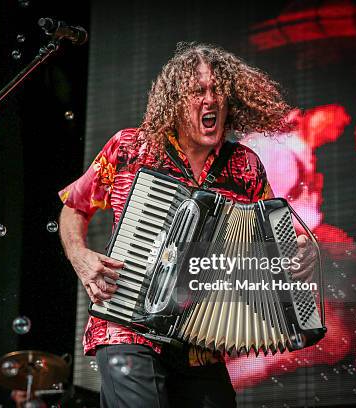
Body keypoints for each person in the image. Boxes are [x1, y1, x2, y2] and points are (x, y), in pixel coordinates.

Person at [58, 42, 317, 408]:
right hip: (128, 329)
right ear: (175, 101)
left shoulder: (245, 166)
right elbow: (74, 206)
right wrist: (80, 257)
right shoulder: (131, 147)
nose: (210, 100)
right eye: (198, 92)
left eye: (218, 91)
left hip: (202, 343)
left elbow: (275, 243)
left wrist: (294, 254)